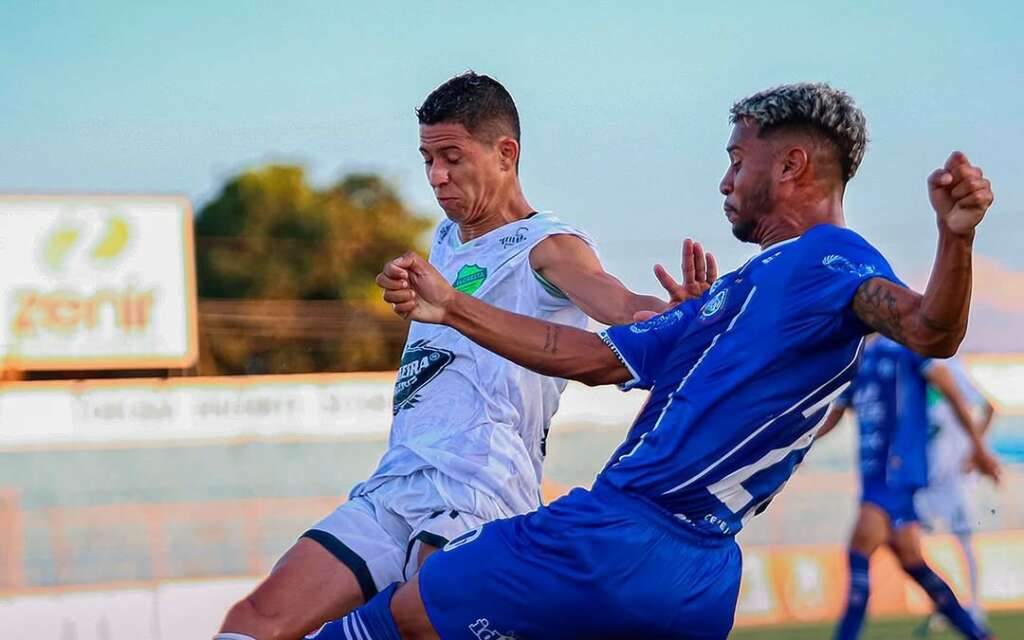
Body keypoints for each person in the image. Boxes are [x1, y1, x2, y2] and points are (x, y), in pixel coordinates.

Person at [312, 83, 998, 640]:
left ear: (789, 166)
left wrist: (954, 240)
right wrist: (455, 309)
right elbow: (582, 355)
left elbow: (928, 328)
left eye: (737, 160)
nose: (726, 179)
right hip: (703, 580)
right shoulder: (741, 292)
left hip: (617, 532)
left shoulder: (832, 260)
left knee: (393, 620)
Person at [215, 72, 713, 640]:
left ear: (506, 154)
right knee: (254, 622)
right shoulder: (447, 239)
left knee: (422, 627)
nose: (436, 177)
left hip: (481, 487)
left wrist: (675, 314)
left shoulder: (549, 243)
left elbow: (618, 301)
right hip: (397, 481)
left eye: (451, 158)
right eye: (427, 159)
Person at [817, 338, 999, 639]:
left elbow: (950, 389)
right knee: (912, 561)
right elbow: (834, 416)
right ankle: (979, 635)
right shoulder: (856, 361)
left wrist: (978, 448)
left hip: (896, 473)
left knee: (859, 548)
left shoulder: (905, 351)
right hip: (875, 475)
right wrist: (794, 446)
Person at [915, 358, 997, 634]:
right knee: (911, 545)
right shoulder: (909, 367)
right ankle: (948, 604)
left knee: (963, 541)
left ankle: (975, 609)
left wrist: (976, 450)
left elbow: (989, 407)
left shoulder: (949, 368)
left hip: (954, 479)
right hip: (924, 478)